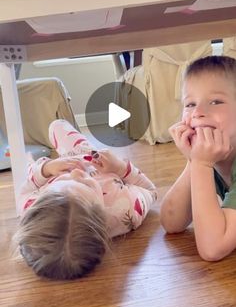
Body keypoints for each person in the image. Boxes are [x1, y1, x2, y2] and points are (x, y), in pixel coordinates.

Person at [13, 119, 157, 280]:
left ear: (40, 201)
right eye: (87, 185)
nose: (76, 173)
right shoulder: (125, 210)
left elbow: (25, 190)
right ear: (102, 215)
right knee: (57, 126)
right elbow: (150, 191)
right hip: (90, 156)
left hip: (62, 162)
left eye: (63, 182)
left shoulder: (31, 209)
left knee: (56, 126)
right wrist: (120, 168)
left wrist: (46, 170)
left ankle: (39, 163)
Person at [160, 55, 236, 262]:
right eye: (190, 103)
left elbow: (213, 248)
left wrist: (201, 164)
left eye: (216, 101)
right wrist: (194, 162)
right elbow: (171, 222)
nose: (198, 112)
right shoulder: (215, 154)